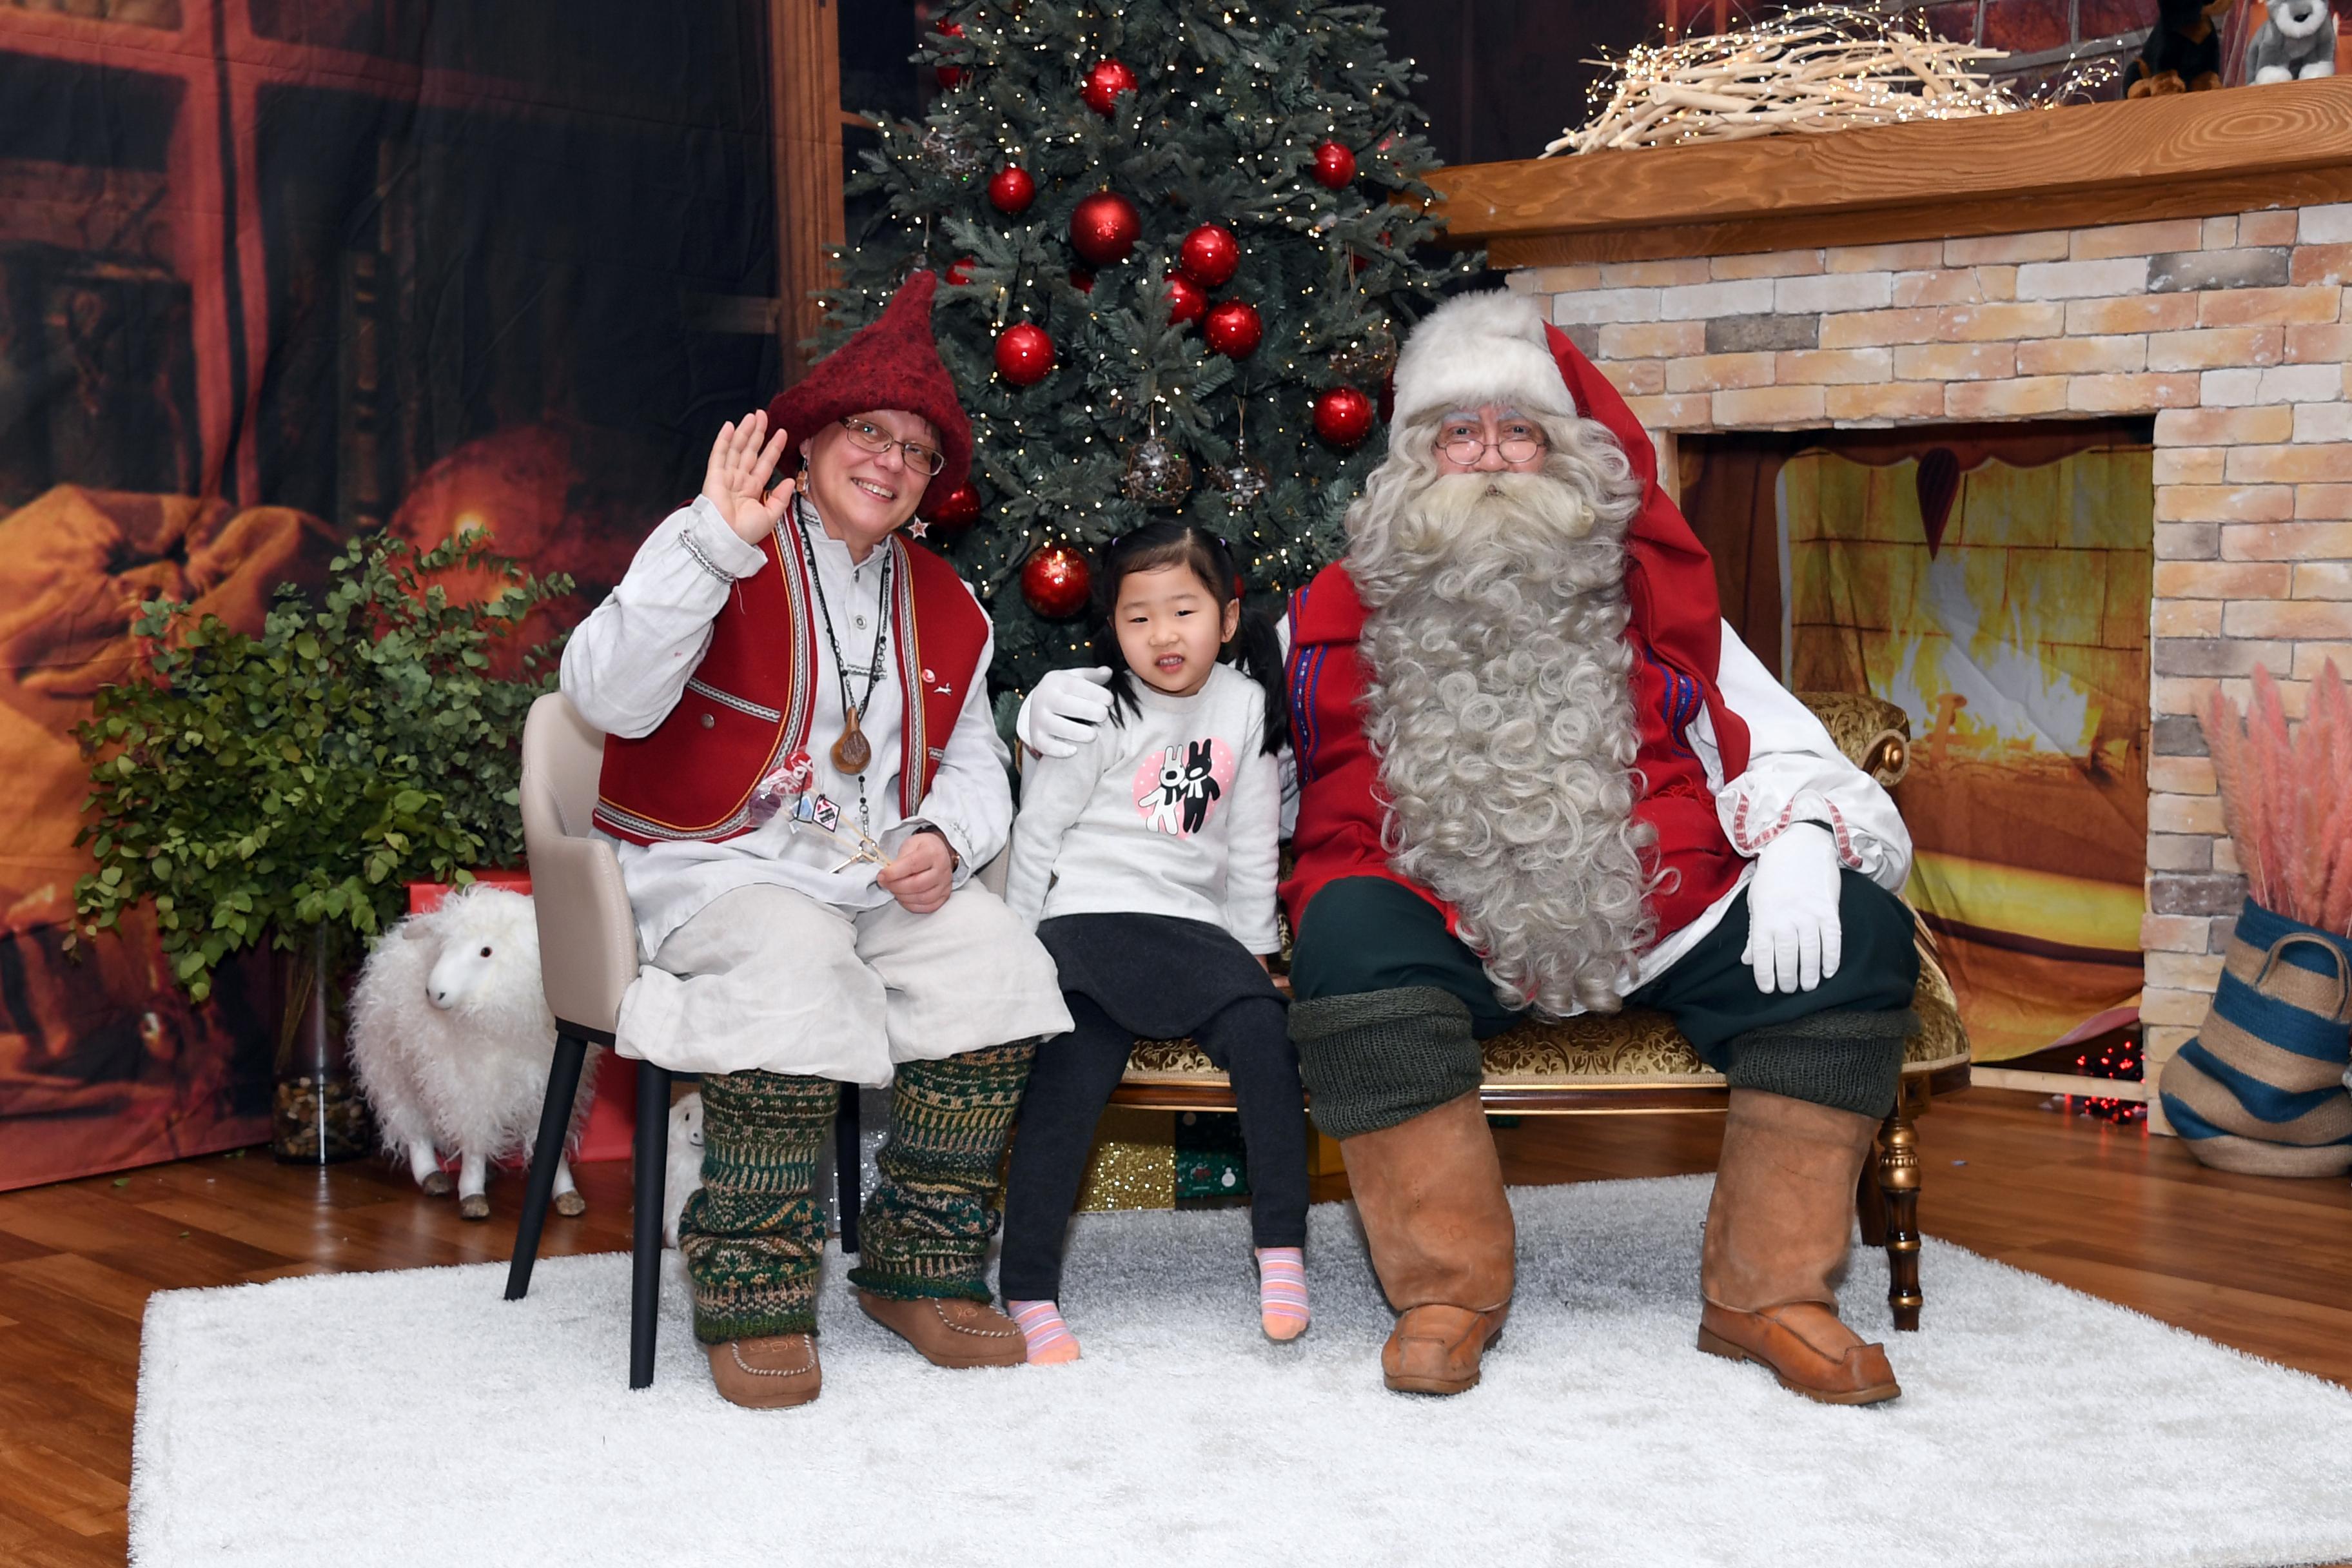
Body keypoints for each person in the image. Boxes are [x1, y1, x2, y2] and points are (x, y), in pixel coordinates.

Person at [1020, 289, 1917, 1405]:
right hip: (1434, 913)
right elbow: (1195, 722)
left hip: (1653, 904)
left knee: (1857, 937)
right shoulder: (1314, 627)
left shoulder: (1654, 596)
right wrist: (1069, 709)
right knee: (1346, 934)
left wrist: (1804, 844)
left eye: (1520, 430)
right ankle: (1448, 1288)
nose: (1490, 457)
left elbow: (1772, 738)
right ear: (1413, 460)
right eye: (1460, 431)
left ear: (1567, 454)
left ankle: (1768, 1294)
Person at [562, 272, 1071, 1409]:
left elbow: (978, 762)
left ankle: (921, 1268)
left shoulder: (953, 605)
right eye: (867, 432)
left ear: (934, 484)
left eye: (916, 451)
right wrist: (710, 549)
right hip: (714, 868)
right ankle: (752, 1287)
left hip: (869, 877)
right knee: (792, 965)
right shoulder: (712, 541)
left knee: (1000, 965)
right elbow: (605, 696)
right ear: (815, 437)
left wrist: (944, 831)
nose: (889, 462)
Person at [995, 522, 1308, 1363]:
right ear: (1112, 628)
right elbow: (1039, 831)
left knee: (1265, 1041)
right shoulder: (1095, 705)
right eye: (1139, 618)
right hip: (1087, 924)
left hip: (1192, 931)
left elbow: (1249, 842)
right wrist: (1022, 951)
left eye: (1184, 611)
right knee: (1067, 1088)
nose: (1164, 635)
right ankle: (1028, 1289)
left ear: (1228, 617)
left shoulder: (1243, 705)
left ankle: (1281, 1248)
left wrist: (1255, 955)